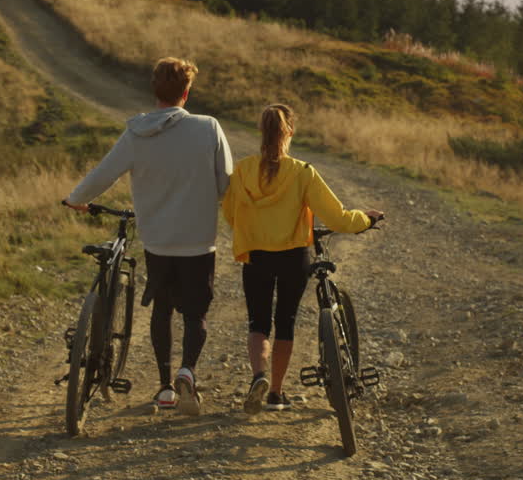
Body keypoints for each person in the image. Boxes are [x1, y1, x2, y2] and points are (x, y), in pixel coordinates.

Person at [64, 57, 232, 415]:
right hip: (198, 239)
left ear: (154, 90)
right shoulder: (209, 127)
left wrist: (77, 199)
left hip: (157, 240)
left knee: (162, 310)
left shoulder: (136, 133)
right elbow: (225, 184)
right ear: (187, 92)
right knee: (195, 314)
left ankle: (166, 387)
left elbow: (103, 173)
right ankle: (188, 370)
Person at [220, 104, 383, 413]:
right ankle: (277, 393)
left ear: (261, 132)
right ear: (290, 133)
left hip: (256, 256)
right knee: (285, 322)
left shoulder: (242, 171)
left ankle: (258, 376)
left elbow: (230, 213)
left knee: (257, 322)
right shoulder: (302, 172)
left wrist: (256, 230)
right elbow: (338, 218)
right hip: (294, 257)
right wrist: (367, 219)